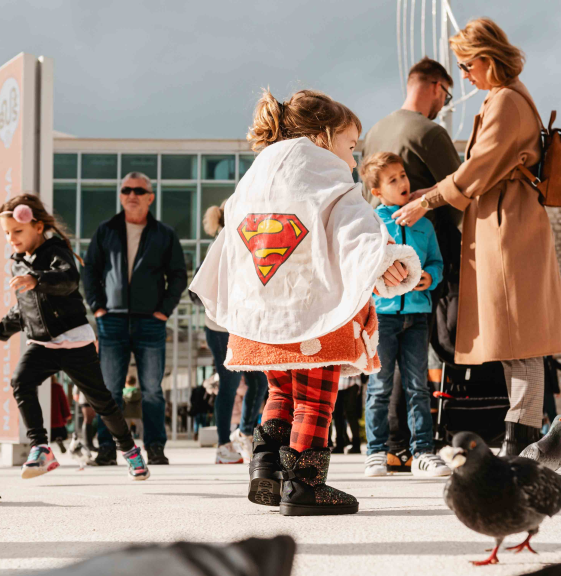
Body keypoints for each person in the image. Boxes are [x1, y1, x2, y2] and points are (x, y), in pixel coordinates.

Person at [189, 88, 419, 516]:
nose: (352, 160)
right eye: (350, 146)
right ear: (324, 135)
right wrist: (387, 259)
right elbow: (355, 230)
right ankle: (306, 486)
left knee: (280, 389)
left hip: (262, 314)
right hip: (313, 312)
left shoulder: (256, 177)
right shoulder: (325, 176)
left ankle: (267, 468)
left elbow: (233, 240)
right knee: (314, 399)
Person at [392, 17, 561, 456]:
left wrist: (427, 201)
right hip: (504, 223)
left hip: (510, 228)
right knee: (515, 336)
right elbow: (478, 169)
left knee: (522, 336)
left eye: (468, 65)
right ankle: (521, 437)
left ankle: (520, 437)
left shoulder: (507, 100)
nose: (465, 75)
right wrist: (430, 191)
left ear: (488, 60)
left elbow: (479, 167)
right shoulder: (505, 97)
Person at [0, 194, 149, 481]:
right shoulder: (17, 264)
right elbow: (25, 308)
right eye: (7, 233)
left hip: (74, 340)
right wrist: (1, 329)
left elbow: (68, 279)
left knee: (101, 402)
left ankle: (130, 452)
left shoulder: (55, 250)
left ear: (37, 226)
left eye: (17, 231)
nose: (12, 238)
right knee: (20, 382)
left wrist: (37, 279)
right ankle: (40, 447)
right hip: (41, 343)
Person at [363, 58, 461, 469]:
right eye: (447, 95)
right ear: (436, 87)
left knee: (397, 374)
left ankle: (398, 446)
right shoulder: (430, 131)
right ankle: (407, 445)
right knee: (416, 365)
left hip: (400, 283)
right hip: (411, 279)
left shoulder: (374, 133)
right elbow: (463, 191)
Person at [82, 171, 187, 467]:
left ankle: (154, 448)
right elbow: (90, 270)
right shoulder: (106, 231)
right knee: (109, 389)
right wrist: (98, 307)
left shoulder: (164, 234)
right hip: (111, 319)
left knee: (152, 390)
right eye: (126, 190)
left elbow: (178, 275)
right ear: (120, 195)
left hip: (150, 321)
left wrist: (164, 310)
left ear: (150, 197)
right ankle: (106, 448)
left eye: (138, 191)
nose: (132, 195)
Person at [359, 152, 448, 478]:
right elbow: (363, 270)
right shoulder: (372, 224)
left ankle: (423, 453)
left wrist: (431, 278)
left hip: (418, 316)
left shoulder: (425, 224)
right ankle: (375, 453)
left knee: (418, 388)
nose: (403, 182)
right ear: (378, 192)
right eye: (392, 179)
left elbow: (437, 263)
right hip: (382, 318)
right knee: (379, 387)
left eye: (403, 175)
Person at [199, 201, 271, 465]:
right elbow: (199, 285)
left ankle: (243, 432)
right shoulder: (222, 241)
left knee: (259, 382)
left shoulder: (252, 238)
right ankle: (222, 445)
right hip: (221, 327)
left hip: (247, 325)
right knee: (229, 385)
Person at [331, 375, 364, 455]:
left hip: (352, 380)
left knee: (351, 413)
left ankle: (356, 445)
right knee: (337, 414)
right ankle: (339, 445)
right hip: (337, 382)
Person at [50, 380, 71, 452]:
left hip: (44, 418)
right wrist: (67, 414)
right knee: (58, 433)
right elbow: (64, 402)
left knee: (46, 435)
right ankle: (59, 439)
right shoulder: (57, 387)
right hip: (56, 418)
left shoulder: (37, 387)